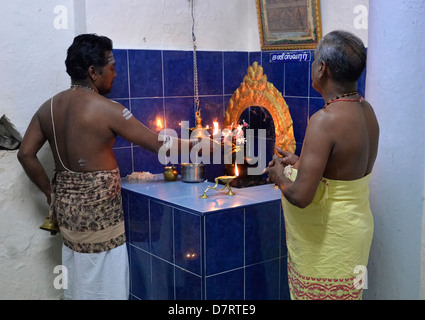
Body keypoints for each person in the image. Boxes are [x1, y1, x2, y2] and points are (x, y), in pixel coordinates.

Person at [17, 34, 198, 299]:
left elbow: (25, 154)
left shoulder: (48, 108)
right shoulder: (108, 110)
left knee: (78, 285)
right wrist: (204, 146)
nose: (115, 74)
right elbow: (161, 145)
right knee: (107, 289)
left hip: (69, 223)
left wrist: (49, 191)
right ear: (93, 71)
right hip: (102, 230)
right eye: (111, 68)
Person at [265, 30, 379, 300]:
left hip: (330, 240)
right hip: (356, 232)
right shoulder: (367, 111)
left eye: (315, 60)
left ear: (322, 68)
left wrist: (278, 174)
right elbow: (343, 172)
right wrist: (300, 163)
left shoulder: (324, 120)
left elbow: (302, 197)